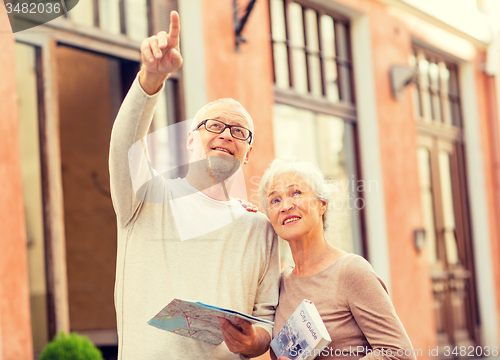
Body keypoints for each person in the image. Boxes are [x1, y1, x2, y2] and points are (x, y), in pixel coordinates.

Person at [109, 11, 279, 359]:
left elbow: (268, 318)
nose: (225, 135)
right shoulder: (146, 198)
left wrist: (254, 342)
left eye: (238, 131)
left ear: (247, 154)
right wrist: (149, 81)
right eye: (213, 126)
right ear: (190, 140)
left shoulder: (261, 229)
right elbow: (125, 146)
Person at [258, 157, 416, 360]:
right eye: (275, 200)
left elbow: (399, 354)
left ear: (322, 204)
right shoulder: (281, 283)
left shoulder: (351, 270)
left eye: (296, 193)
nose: (286, 206)